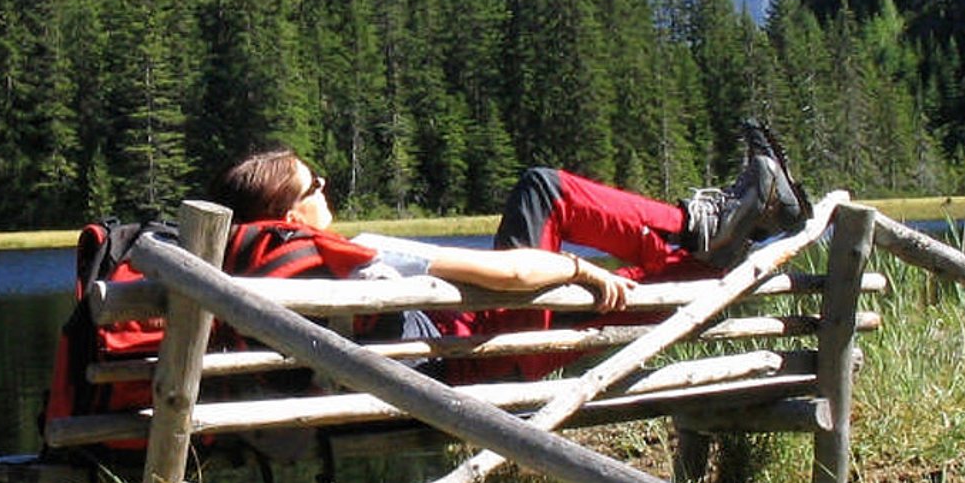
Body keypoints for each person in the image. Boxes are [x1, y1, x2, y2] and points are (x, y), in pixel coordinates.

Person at [205, 121, 809, 378]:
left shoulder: (238, 282)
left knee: (621, 281)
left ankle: (713, 247)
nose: (325, 187)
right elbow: (513, 270)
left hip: (460, 370)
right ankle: (702, 229)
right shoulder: (349, 255)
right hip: (486, 360)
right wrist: (575, 266)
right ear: (289, 217)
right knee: (543, 189)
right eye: (315, 186)